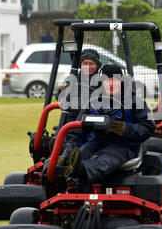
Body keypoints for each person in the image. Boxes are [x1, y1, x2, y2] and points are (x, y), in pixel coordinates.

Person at [59, 63, 156, 192]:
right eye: (106, 80)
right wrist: (68, 151)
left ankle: (79, 174)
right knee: (82, 152)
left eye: (114, 79)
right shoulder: (91, 101)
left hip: (123, 146)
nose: (111, 83)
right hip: (96, 143)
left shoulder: (135, 102)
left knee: (105, 158)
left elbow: (148, 127)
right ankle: (73, 188)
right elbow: (77, 131)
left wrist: (125, 129)